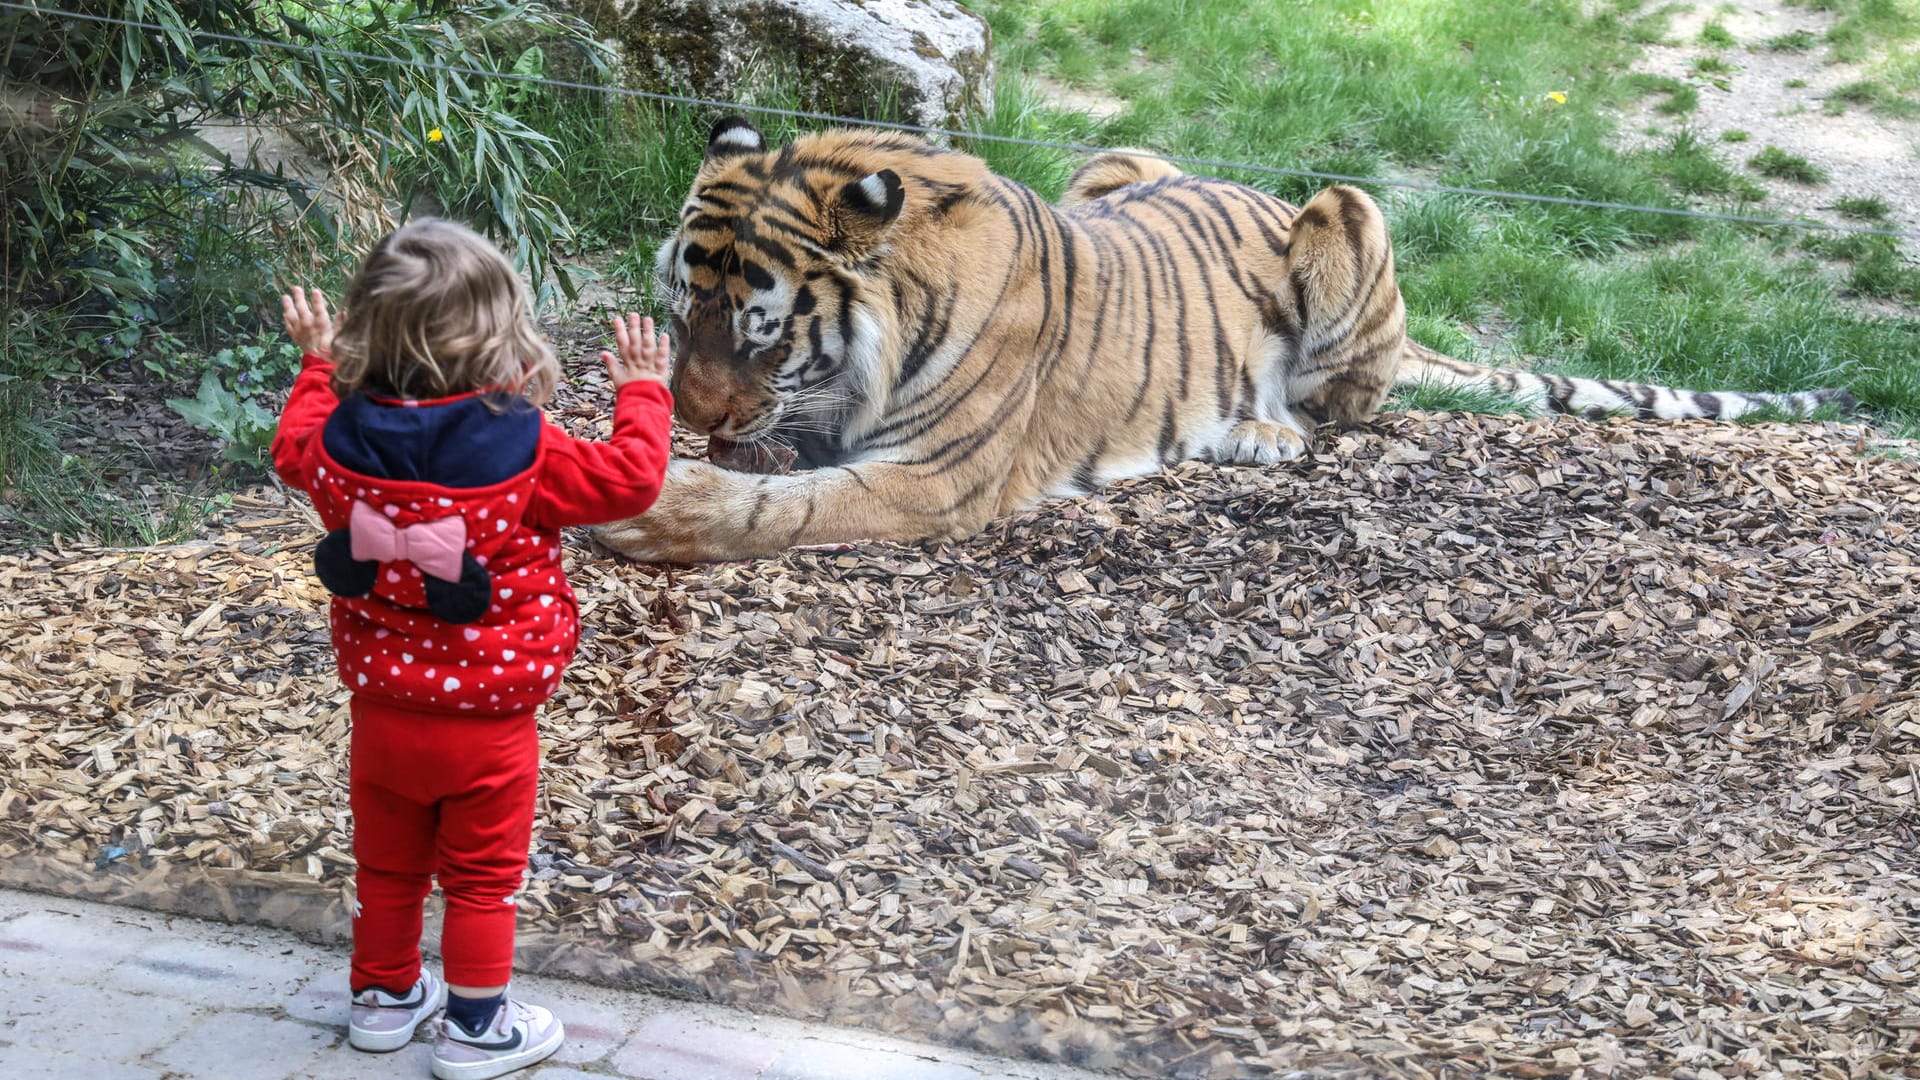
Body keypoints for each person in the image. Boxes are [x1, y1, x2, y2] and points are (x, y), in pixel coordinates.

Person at [270, 218, 674, 1080]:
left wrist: (312, 362)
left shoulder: (337, 446)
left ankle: (381, 1002)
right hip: (490, 723)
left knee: (387, 868)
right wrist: (643, 389)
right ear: (503, 335)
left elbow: (289, 449)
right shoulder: (528, 449)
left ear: (362, 329)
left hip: (381, 711)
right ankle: (476, 1031)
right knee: (483, 881)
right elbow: (631, 480)